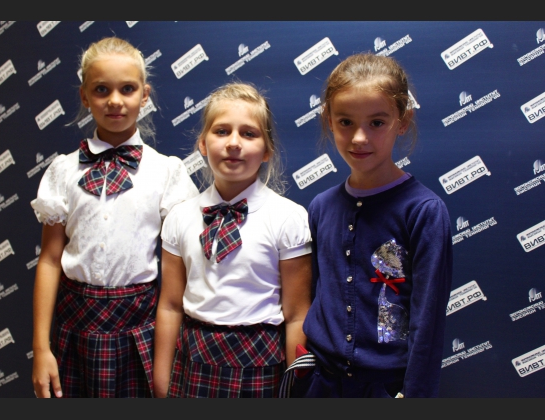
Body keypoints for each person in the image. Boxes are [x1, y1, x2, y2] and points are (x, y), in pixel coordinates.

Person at [30, 37, 199, 398]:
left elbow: (181, 269)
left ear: (145, 95)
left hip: (141, 327)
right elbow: (49, 260)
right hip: (73, 328)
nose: (115, 101)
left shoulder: (166, 172)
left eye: (127, 89)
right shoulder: (62, 171)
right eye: (101, 89)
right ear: (84, 96)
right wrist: (41, 348)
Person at [289, 53, 453, 398]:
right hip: (320, 383)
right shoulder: (321, 207)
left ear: (403, 121)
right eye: (346, 122)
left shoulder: (424, 211)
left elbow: (428, 322)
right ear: (328, 121)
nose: (359, 138)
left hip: (385, 388)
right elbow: (314, 296)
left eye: (377, 122)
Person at [153, 82, 312, 398]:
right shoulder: (179, 217)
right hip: (194, 359)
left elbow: (297, 314)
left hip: (261, 362)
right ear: (202, 143)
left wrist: (295, 387)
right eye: (222, 131)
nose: (234, 143)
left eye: (249, 134)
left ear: (267, 150)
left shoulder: (289, 218)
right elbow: (170, 306)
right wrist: (161, 379)